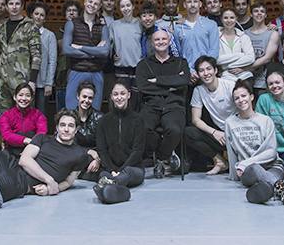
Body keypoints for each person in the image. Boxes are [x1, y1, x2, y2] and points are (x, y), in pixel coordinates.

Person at [226, 79, 284, 205]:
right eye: (236, 98)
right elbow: (231, 152)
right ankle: (282, 189)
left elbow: (271, 152)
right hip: (248, 170)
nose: (241, 100)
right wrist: (234, 174)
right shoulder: (230, 123)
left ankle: (265, 190)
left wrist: (243, 163)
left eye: (244, 96)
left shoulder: (266, 121)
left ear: (251, 97)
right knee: (254, 167)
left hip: (272, 166)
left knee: (268, 179)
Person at [136, 29, 190, 177]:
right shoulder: (143, 64)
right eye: (157, 40)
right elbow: (142, 86)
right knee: (142, 128)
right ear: (152, 44)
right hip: (151, 106)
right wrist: (171, 85)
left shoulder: (181, 62)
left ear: (169, 42)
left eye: (164, 39)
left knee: (175, 130)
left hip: (174, 106)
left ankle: (160, 157)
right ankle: (167, 152)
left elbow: (184, 80)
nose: (161, 42)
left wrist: (157, 81)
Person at [18, 109, 91, 196]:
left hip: (22, 182)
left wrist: (51, 189)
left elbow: (68, 182)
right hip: (13, 168)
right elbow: (24, 160)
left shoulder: (80, 154)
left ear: (76, 130)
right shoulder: (42, 138)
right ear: (57, 128)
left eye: (71, 126)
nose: (66, 129)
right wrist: (49, 181)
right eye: (62, 125)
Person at [185, 56, 237, 175]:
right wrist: (214, 132)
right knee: (189, 132)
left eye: (209, 69)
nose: (206, 73)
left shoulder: (229, 85)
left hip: (236, 131)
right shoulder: (199, 91)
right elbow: (195, 119)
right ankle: (220, 161)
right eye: (201, 71)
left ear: (215, 70)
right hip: (220, 134)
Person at [62, 0, 111, 109]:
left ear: (99, 7)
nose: (92, 5)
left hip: (96, 73)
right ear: (85, 2)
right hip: (77, 72)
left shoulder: (103, 27)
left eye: (96, 3)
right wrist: (94, 53)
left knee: (94, 113)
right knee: (72, 111)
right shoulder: (71, 24)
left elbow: (104, 52)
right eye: (90, 2)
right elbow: (67, 49)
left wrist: (80, 47)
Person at [0, 0, 42, 111]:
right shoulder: (2, 27)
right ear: (6, 6)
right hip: (3, 81)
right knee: (5, 117)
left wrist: (32, 80)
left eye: (17, 4)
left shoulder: (30, 26)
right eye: (11, 4)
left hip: (22, 80)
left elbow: (36, 55)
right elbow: (0, 54)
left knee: (24, 118)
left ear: (22, 6)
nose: (14, 7)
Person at [95, 81, 145, 188]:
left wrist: (121, 171)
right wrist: (112, 170)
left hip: (132, 169)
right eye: (115, 94)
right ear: (111, 97)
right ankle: (115, 185)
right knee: (103, 174)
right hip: (110, 170)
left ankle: (111, 185)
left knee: (128, 173)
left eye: (122, 94)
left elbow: (137, 151)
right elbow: (102, 150)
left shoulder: (138, 120)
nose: (119, 97)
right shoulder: (103, 121)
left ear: (129, 95)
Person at [256, 71, 284, 180]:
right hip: (268, 147)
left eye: (277, 82)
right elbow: (260, 125)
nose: (274, 86)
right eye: (271, 84)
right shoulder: (264, 99)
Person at [173, 0, 219, 81]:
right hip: (187, 74)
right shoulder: (178, 27)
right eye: (189, 2)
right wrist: (189, 71)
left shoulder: (211, 24)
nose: (192, 4)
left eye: (195, 1)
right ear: (185, 5)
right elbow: (178, 53)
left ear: (200, 4)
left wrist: (202, 70)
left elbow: (214, 50)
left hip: (206, 74)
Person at [111, 0, 143, 106]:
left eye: (128, 5)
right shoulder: (114, 25)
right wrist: (112, 56)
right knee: (121, 101)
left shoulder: (140, 23)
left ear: (133, 6)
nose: (126, 9)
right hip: (121, 68)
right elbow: (109, 45)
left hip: (137, 68)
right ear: (119, 8)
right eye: (123, 6)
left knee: (136, 102)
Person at [0, 83, 47, 158]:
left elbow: (41, 133)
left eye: (27, 95)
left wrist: (31, 145)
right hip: (11, 153)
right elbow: (7, 135)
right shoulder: (6, 116)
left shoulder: (38, 115)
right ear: (15, 97)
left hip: (33, 151)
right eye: (20, 95)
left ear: (31, 98)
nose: (24, 98)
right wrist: (25, 140)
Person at [28, 0, 57, 118]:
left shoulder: (49, 36)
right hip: (25, 82)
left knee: (40, 116)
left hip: (42, 83)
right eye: (36, 14)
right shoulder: (24, 33)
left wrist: (49, 83)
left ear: (45, 18)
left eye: (42, 15)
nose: (38, 17)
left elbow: (52, 61)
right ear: (31, 15)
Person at [245, 2, 279, 95]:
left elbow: (267, 58)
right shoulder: (244, 34)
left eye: (262, 11)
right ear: (251, 14)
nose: (259, 13)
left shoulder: (273, 33)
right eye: (256, 11)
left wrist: (244, 68)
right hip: (247, 78)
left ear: (266, 15)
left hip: (264, 81)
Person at [55, 0, 83, 110]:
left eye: (74, 11)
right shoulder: (57, 35)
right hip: (61, 80)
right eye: (69, 11)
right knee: (62, 111)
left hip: (79, 76)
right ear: (64, 14)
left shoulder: (83, 33)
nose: (71, 13)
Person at [216, 7, 255, 84]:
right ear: (221, 19)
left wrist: (227, 66)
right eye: (226, 18)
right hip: (225, 76)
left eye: (232, 17)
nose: (229, 20)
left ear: (236, 18)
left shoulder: (244, 37)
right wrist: (239, 55)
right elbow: (217, 59)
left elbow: (251, 58)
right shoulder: (216, 36)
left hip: (244, 74)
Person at [73, 81, 103, 180]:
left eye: (90, 98)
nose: (86, 100)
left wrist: (97, 160)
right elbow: (71, 145)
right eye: (84, 96)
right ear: (78, 96)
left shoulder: (99, 117)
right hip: (79, 156)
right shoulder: (71, 117)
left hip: (97, 157)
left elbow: (104, 144)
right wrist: (89, 151)